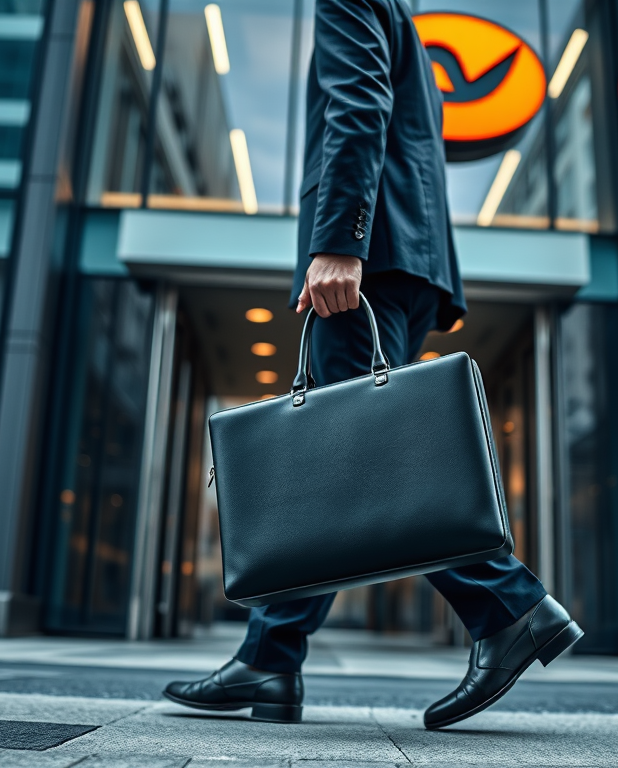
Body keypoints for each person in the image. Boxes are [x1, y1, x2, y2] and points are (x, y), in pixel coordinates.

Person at [164, 0, 582, 729]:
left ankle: (509, 605)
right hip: (404, 259)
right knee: (336, 467)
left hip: (372, 256)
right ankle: (270, 658)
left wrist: (340, 242)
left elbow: (359, 103)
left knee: (367, 459)